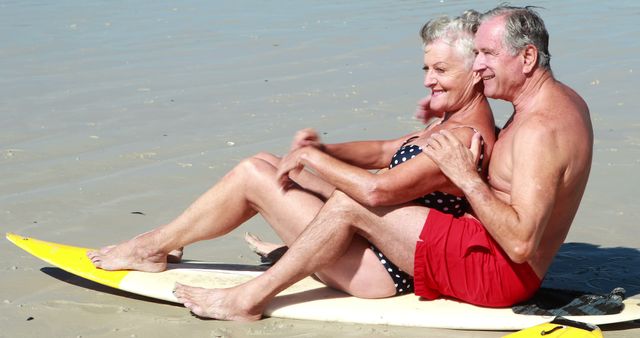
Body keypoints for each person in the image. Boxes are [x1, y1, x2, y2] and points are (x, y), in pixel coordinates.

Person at [168, 5, 592, 320]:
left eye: (487, 56)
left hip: (498, 275)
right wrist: (442, 117)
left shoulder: (540, 129)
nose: (480, 67)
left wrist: (466, 177)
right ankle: (269, 256)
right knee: (295, 176)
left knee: (350, 202)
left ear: (528, 58)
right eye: (476, 55)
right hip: (482, 248)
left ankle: (249, 299)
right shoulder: (557, 102)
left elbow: (520, 243)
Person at [88, 9, 496, 309]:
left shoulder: (462, 136)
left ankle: (151, 246)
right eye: (426, 67)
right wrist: (321, 150)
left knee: (254, 174)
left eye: (441, 69)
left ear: (476, 71)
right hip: (371, 244)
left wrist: (310, 159)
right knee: (268, 160)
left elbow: (377, 189)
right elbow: (385, 150)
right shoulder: (449, 122)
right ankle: (164, 241)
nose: (428, 79)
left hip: (380, 270)